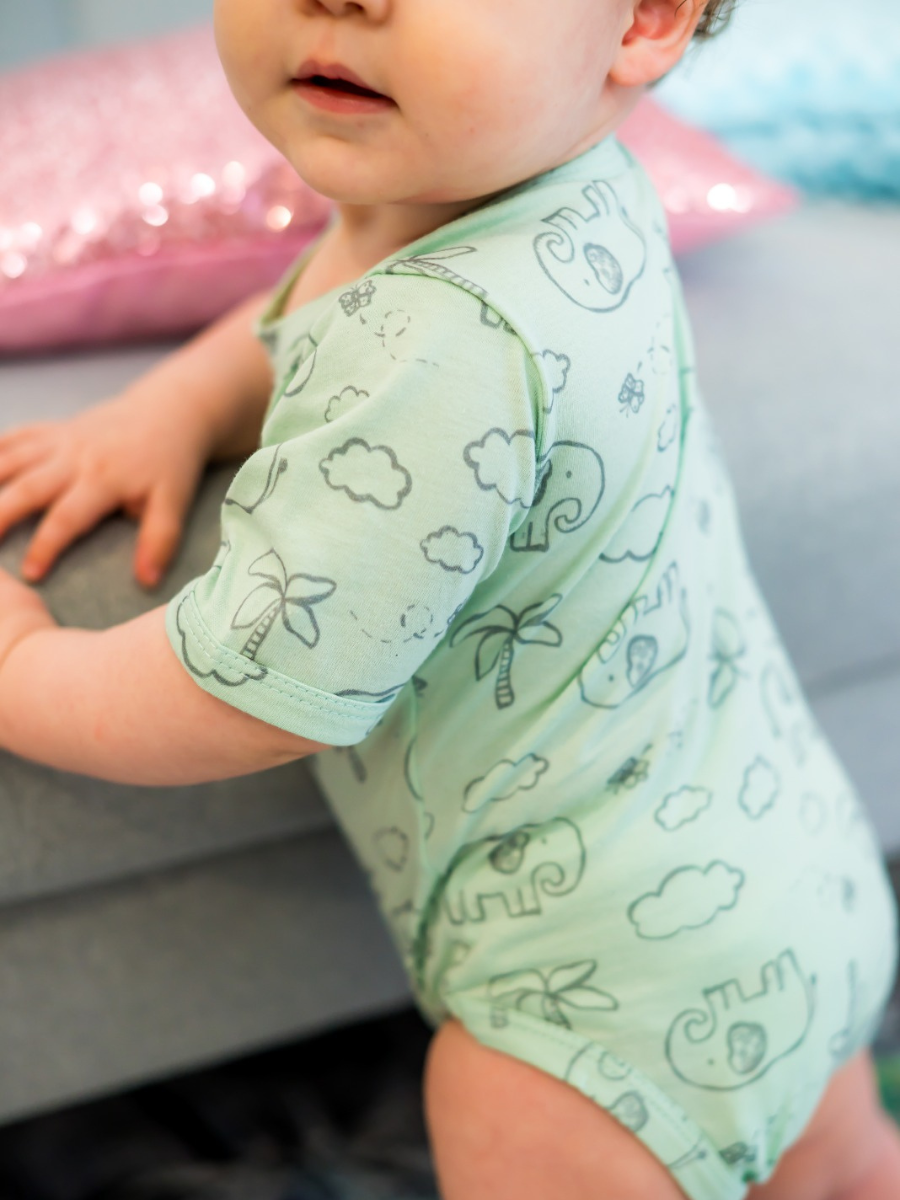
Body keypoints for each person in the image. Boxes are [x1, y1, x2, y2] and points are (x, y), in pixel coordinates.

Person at [0, 0, 898, 1195]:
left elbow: (247, 689)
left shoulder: (446, 343)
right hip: (790, 873)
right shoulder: (566, 192)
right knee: (842, 1175)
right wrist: (171, 405)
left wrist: (24, 668)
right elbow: (324, 311)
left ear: (646, 18)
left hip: (593, 1015)